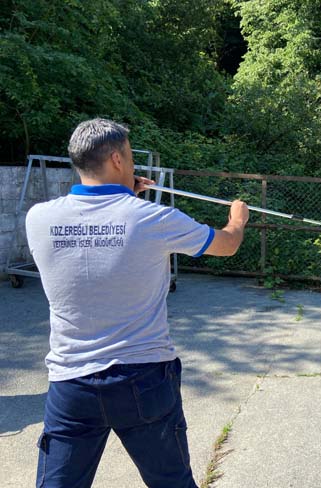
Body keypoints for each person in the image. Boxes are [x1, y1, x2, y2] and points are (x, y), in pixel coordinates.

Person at [25, 118, 249, 488]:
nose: (132, 165)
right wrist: (237, 220)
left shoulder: (38, 218)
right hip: (143, 380)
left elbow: (96, 238)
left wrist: (127, 197)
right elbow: (226, 245)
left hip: (71, 384)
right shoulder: (154, 219)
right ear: (116, 159)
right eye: (129, 158)